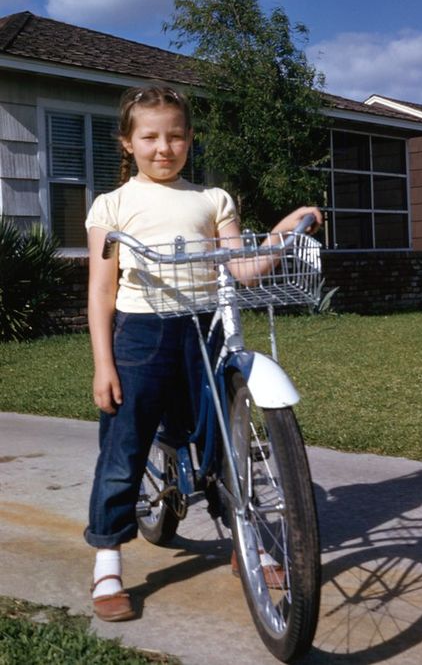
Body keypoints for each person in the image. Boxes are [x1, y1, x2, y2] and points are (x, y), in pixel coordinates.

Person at [85, 84, 322, 622]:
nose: (163, 147)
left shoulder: (212, 200)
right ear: (128, 143)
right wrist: (103, 363)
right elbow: (101, 290)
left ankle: (246, 540)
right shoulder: (113, 204)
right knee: (125, 447)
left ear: (190, 140)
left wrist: (281, 232)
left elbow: (241, 269)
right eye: (149, 136)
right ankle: (107, 559)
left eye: (175, 136)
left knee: (222, 444)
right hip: (141, 335)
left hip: (204, 329)